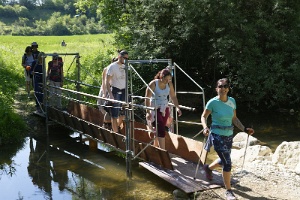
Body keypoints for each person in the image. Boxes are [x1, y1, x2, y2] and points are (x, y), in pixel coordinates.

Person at [200, 78, 255, 200]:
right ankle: (228, 191)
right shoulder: (212, 103)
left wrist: (245, 129)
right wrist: (205, 128)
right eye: (220, 86)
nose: (223, 88)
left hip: (229, 135)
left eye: (225, 86)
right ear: (216, 89)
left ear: (228, 89)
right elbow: (203, 116)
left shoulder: (232, 101)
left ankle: (208, 168)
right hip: (216, 135)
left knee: (223, 159)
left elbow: (234, 119)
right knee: (227, 162)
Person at [145, 68, 182, 149]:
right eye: (166, 79)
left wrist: (177, 108)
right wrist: (148, 112)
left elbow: (173, 96)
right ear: (161, 77)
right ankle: (163, 151)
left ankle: (155, 146)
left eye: (169, 79)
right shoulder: (153, 84)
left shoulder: (169, 84)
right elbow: (147, 98)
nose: (167, 81)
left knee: (160, 128)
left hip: (164, 109)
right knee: (161, 129)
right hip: (155, 109)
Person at [104, 50, 128, 133]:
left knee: (124, 113)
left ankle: (117, 127)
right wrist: (110, 95)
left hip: (124, 91)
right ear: (119, 56)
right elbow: (107, 81)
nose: (125, 60)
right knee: (114, 114)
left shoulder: (126, 66)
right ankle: (116, 133)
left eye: (127, 58)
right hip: (115, 90)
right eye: (124, 58)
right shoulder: (112, 67)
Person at [97, 57, 118, 128]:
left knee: (111, 108)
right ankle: (106, 125)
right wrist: (104, 93)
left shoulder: (119, 69)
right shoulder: (106, 69)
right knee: (105, 107)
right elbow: (104, 82)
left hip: (114, 89)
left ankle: (111, 125)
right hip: (106, 88)